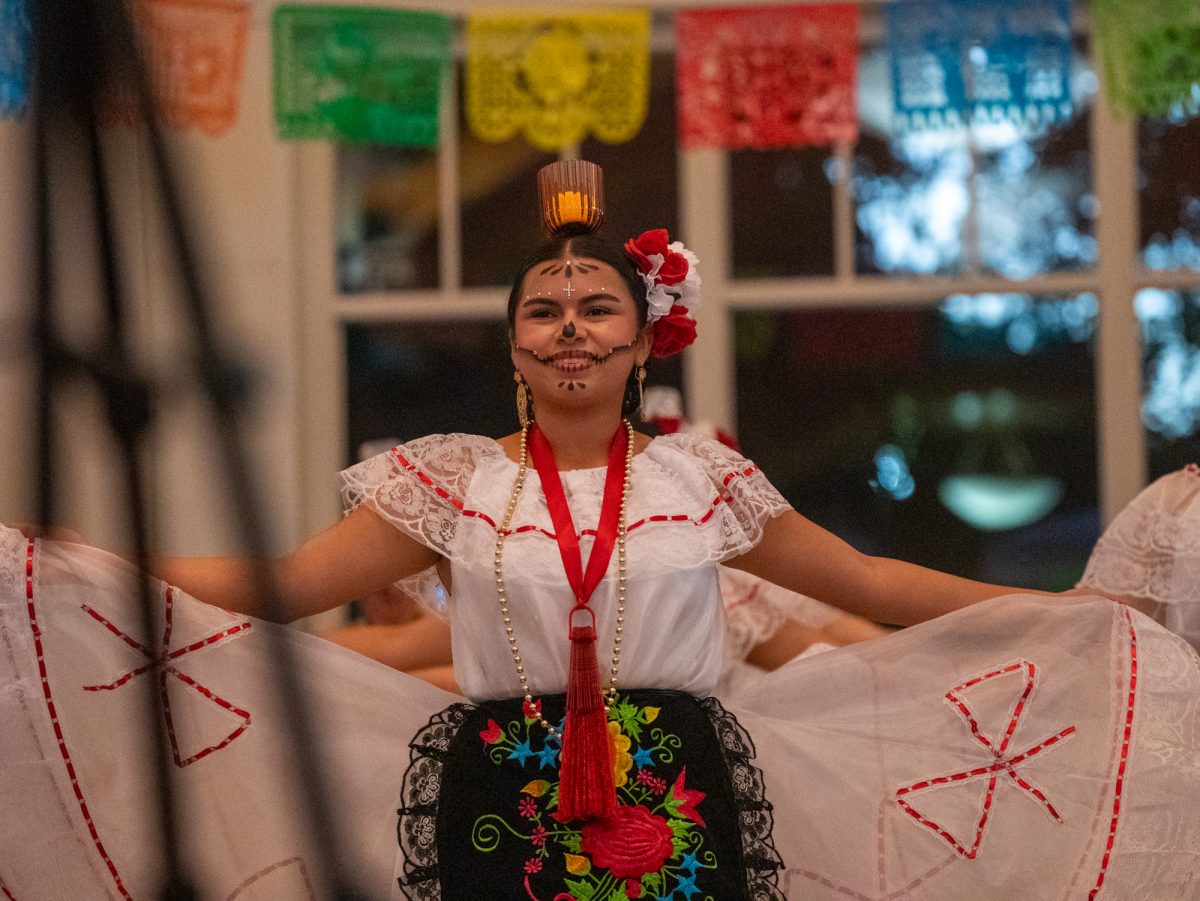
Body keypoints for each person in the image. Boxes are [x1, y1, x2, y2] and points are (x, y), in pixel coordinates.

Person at [1, 160, 1198, 900]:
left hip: (684, 795)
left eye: (596, 308)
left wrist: (1076, 614)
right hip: (494, 795)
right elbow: (283, 581)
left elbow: (873, 579)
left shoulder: (702, 479)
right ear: (514, 342)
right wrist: (87, 557)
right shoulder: (453, 481)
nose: (569, 327)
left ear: (641, 339)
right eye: (543, 309)